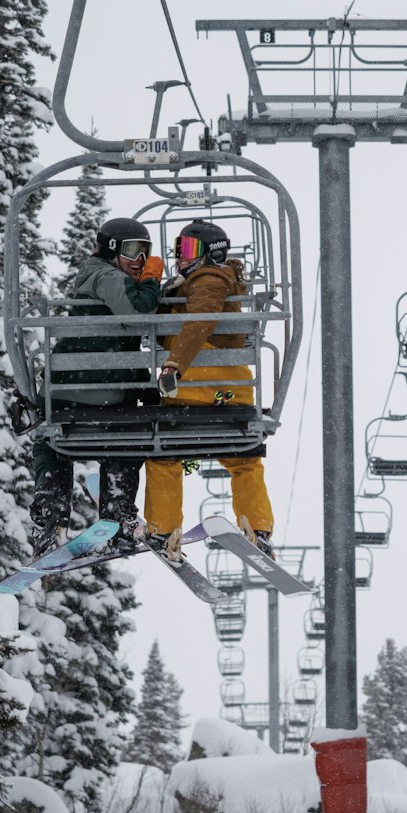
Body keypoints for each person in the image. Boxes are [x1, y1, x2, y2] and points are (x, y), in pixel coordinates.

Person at [28, 217, 164, 555]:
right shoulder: (108, 276)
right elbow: (135, 313)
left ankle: (50, 515)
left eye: (146, 253)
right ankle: (118, 516)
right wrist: (152, 281)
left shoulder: (96, 276)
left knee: (52, 442)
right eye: (133, 250)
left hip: (64, 391)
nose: (140, 261)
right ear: (112, 250)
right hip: (103, 392)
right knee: (126, 439)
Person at [143, 218, 276, 558]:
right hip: (234, 389)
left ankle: (162, 530)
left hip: (198, 383)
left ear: (210, 253)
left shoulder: (209, 278)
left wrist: (175, 364)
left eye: (188, 249)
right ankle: (257, 527)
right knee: (243, 459)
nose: (181, 257)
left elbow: (201, 318)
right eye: (179, 249)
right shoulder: (211, 279)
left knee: (164, 455)